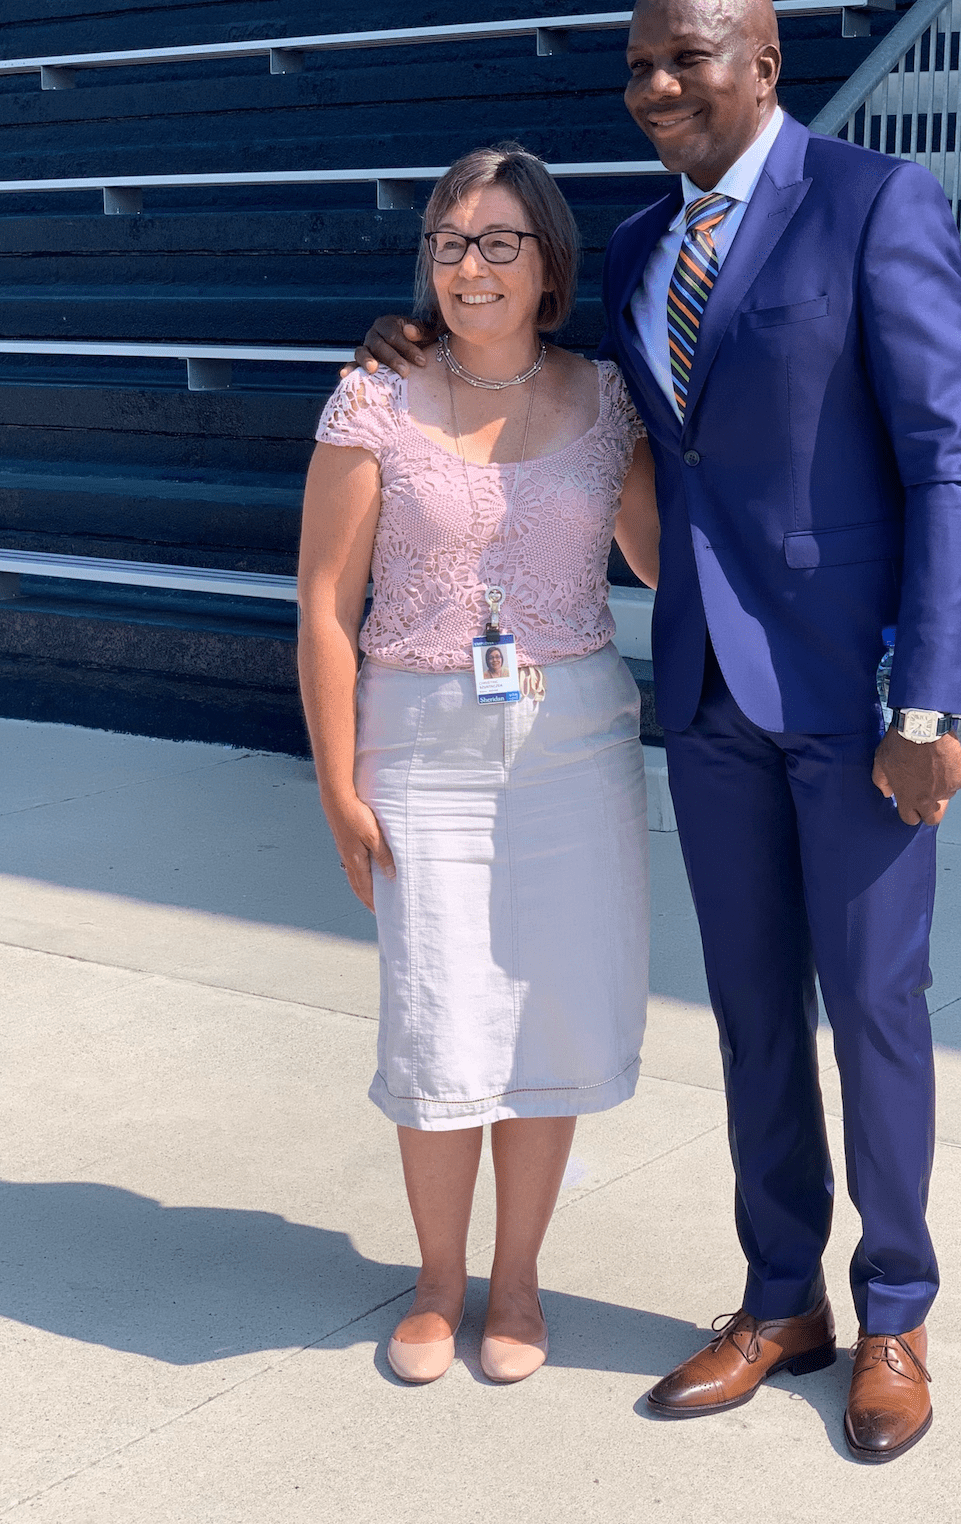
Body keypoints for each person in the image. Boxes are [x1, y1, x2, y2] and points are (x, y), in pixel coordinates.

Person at [359, 0, 961, 1461]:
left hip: (860, 708)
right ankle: (783, 1299)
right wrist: (420, 336)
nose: (654, 84)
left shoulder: (873, 205)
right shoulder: (647, 248)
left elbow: (953, 463)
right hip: (710, 697)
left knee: (876, 1012)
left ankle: (892, 1310)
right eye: (639, 62)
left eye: (685, 57)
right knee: (757, 1017)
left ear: (762, 65)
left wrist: (928, 700)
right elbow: (591, 409)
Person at [298, 143, 660, 1388]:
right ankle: (439, 1282)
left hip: (575, 745)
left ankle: (517, 1284)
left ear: (548, 261)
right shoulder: (372, 399)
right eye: (451, 241)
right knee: (439, 1012)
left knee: (547, 1009)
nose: (470, 264)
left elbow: (662, 562)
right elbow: (322, 605)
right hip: (419, 744)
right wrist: (337, 785)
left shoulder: (610, 401)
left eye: (499, 240)